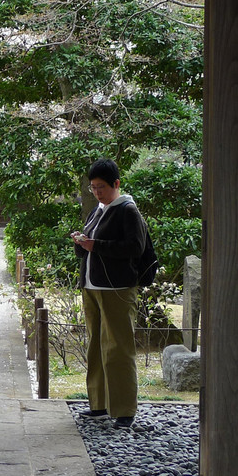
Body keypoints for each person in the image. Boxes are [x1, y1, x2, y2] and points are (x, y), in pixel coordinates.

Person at [70, 158, 148, 430]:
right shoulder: (97, 210)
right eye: (92, 187)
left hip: (116, 288)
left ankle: (124, 409)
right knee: (95, 346)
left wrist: (96, 245)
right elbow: (89, 250)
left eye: (101, 187)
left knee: (119, 348)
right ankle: (99, 404)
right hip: (92, 286)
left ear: (116, 183)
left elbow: (134, 248)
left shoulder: (127, 210)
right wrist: (81, 242)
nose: (96, 192)